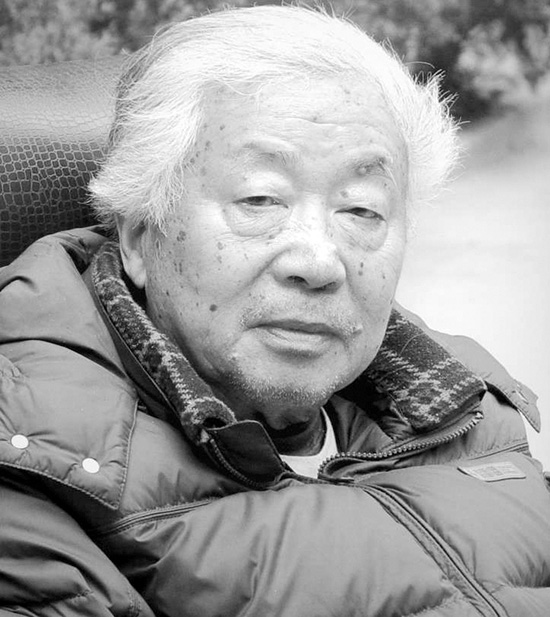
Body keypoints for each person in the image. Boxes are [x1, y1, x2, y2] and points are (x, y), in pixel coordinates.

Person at [1, 5, 549, 616]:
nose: (319, 261)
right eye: (260, 200)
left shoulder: (468, 413)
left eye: (361, 210)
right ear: (140, 237)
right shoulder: (35, 460)